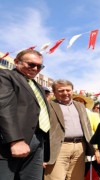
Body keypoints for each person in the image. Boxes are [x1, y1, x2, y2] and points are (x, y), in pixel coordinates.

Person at [0, 49, 50, 180]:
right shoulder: (5, 75)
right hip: (11, 143)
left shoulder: (37, 86)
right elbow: (4, 107)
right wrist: (15, 140)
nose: (35, 69)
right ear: (16, 62)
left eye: (39, 66)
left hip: (38, 142)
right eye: (31, 64)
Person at [44, 79, 94, 180]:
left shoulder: (80, 106)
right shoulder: (48, 106)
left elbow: (87, 126)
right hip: (59, 147)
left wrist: (93, 148)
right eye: (61, 90)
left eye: (68, 90)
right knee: (55, 177)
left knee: (76, 178)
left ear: (72, 91)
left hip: (80, 147)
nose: (65, 93)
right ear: (54, 92)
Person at [72, 95, 100, 179]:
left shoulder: (93, 115)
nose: (78, 102)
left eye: (80, 101)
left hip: (90, 149)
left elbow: (99, 133)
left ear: (85, 104)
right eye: (75, 100)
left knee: (90, 174)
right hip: (73, 148)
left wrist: (97, 150)